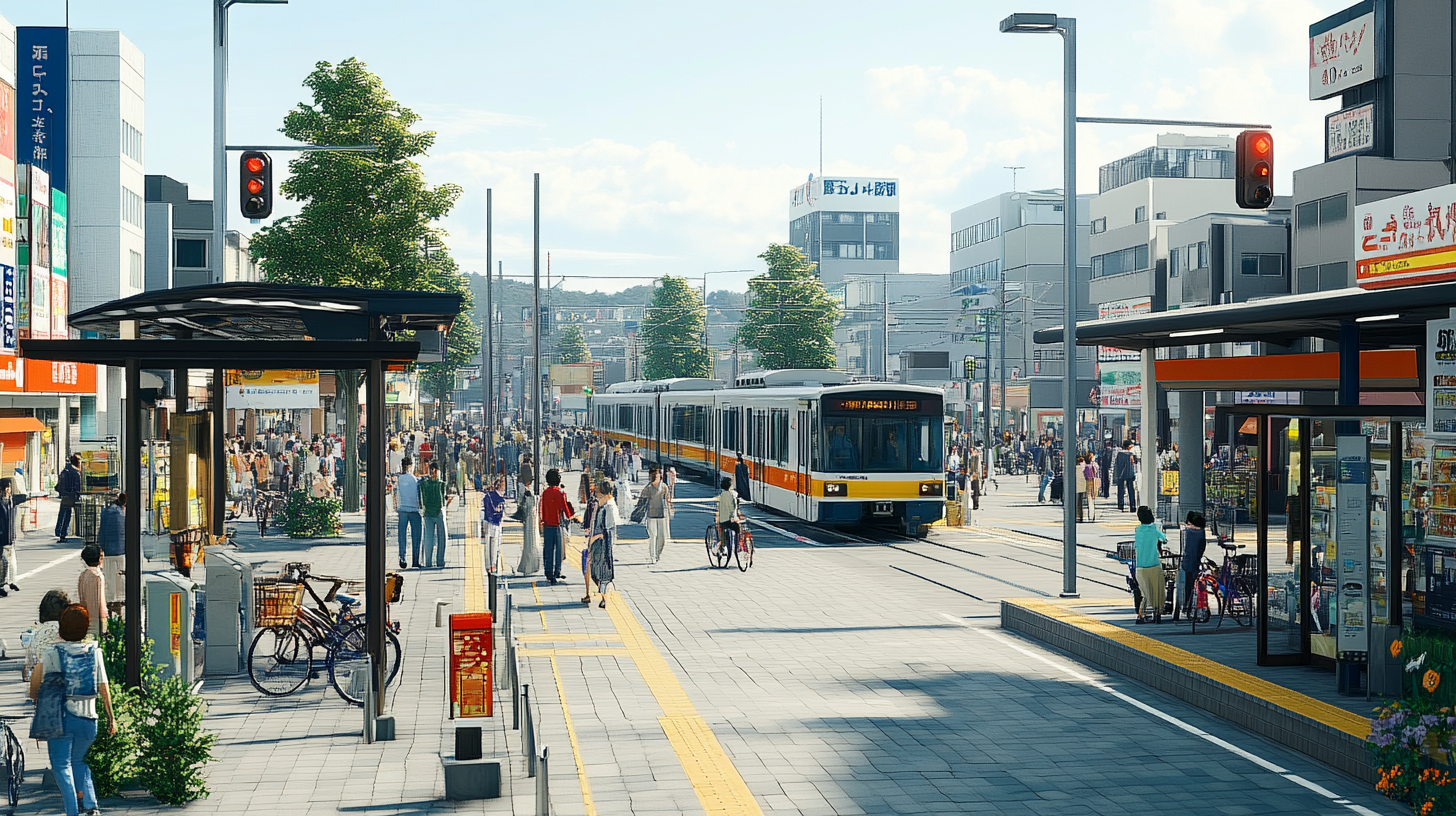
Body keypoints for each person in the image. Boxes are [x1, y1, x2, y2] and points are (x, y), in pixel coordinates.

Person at [28, 604, 117, 816]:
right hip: (89, 721)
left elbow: (36, 686)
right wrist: (111, 719)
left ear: (62, 627)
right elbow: (104, 688)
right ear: (86, 628)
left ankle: (72, 811)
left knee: (61, 765)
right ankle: (90, 805)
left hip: (61, 719)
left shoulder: (51, 653)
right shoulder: (95, 652)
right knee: (78, 760)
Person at [538, 468, 576, 584]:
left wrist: (543, 521)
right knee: (558, 550)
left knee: (548, 549)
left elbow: (542, 508)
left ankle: (548, 572)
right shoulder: (560, 493)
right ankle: (557, 571)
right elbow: (564, 508)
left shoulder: (545, 493)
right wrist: (571, 516)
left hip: (547, 524)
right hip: (558, 524)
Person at [0, 477, 36, 597]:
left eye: (9, 487)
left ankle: (12, 581)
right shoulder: (3, 502)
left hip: (9, 537)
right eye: (7, 488)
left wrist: (33, 495)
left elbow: (23, 497)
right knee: (3, 562)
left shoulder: (11, 500)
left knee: (11, 561)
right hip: (1, 537)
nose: (9, 490)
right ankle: (1, 584)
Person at [1133, 506, 1167, 624]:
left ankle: (1141, 614)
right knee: (1157, 590)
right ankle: (1157, 613)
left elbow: (1136, 545)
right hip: (1154, 564)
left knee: (1145, 592)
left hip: (1141, 566)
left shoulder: (1138, 530)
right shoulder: (1154, 529)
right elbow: (1164, 539)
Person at [26, 589, 70, 679]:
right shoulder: (65, 630)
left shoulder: (36, 631)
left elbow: (30, 662)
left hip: (44, 678)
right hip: (64, 677)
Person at [419, 462, 452, 569]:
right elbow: (443, 500)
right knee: (442, 537)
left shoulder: (423, 484)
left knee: (428, 537)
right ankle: (440, 560)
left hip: (427, 512)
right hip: (438, 512)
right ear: (436, 471)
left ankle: (428, 561)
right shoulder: (441, 484)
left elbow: (422, 499)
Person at [393, 457, 422, 569]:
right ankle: (415, 560)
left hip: (402, 510)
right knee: (416, 536)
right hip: (414, 510)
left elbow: (395, 493)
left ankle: (402, 557)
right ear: (411, 465)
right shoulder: (415, 480)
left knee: (402, 535)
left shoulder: (398, 479)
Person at [638, 467, 671, 565]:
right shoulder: (648, 488)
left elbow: (667, 499)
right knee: (653, 536)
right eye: (656, 475)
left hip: (661, 515)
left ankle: (658, 554)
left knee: (662, 537)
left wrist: (669, 509)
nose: (658, 477)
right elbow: (642, 501)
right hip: (651, 515)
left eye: (659, 475)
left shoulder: (664, 487)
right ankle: (653, 556)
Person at [98, 494, 125, 605]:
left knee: (109, 578)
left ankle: (110, 601)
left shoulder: (105, 513)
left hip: (108, 551)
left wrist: (101, 548)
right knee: (121, 577)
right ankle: (121, 599)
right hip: (122, 550)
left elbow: (101, 533)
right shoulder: (122, 514)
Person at [1180, 511, 1208, 615]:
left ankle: (1187, 605)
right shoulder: (1201, 533)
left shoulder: (1190, 533)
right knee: (1192, 585)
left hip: (1188, 562)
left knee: (1188, 586)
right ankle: (1190, 605)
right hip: (1195, 562)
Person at [78, 545, 106, 638]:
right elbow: (101, 601)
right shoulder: (97, 575)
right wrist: (105, 619)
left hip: (85, 616)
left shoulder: (83, 575)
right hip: (96, 619)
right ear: (100, 558)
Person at [56, 453, 83, 541]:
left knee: (62, 513)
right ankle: (63, 534)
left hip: (64, 494)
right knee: (67, 515)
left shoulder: (65, 470)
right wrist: (77, 494)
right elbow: (77, 486)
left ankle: (58, 531)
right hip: (71, 495)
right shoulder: (75, 473)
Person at [714, 476, 741, 557]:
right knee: (738, 528)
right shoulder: (732, 495)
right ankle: (737, 545)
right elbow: (733, 507)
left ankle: (722, 546)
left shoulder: (721, 495)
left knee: (722, 530)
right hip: (731, 520)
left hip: (723, 520)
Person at [1114, 440, 1139, 512]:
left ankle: (1120, 504)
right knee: (1131, 490)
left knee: (1120, 489)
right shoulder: (1130, 454)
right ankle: (1132, 505)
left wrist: (1116, 474)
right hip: (1129, 474)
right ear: (1128, 447)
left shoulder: (1119, 454)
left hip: (1120, 474)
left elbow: (1117, 464)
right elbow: (1132, 464)